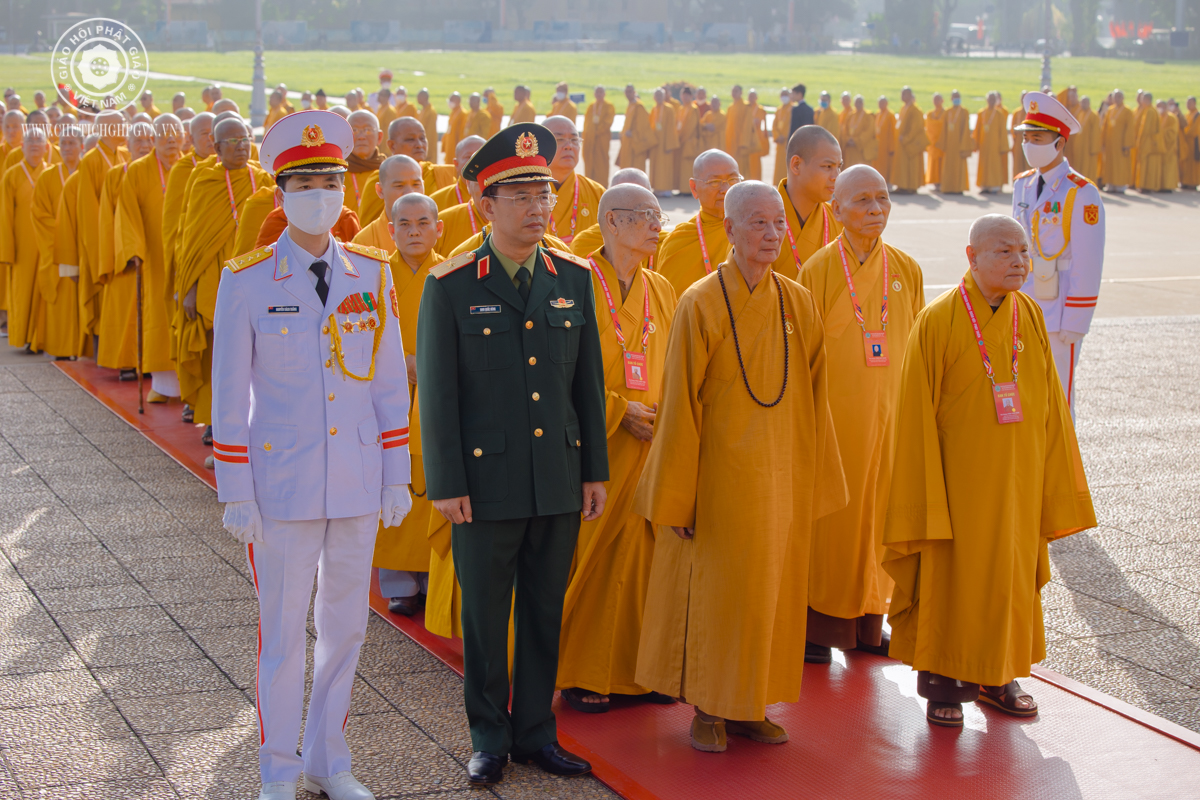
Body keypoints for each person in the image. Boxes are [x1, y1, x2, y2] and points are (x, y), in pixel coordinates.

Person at [212, 109, 410, 800]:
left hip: (356, 479)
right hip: (282, 483)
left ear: (344, 192)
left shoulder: (374, 275)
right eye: (303, 183)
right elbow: (229, 393)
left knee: (346, 629)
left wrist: (397, 474)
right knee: (282, 634)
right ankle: (279, 768)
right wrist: (234, 487)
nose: (319, 194)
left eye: (329, 180)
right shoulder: (247, 279)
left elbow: (388, 385)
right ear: (280, 195)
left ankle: (331, 762)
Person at [416, 122, 608, 786]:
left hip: (556, 476)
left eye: (545, 196)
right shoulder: (451, 284)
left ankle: (535, 732)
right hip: (484, 482)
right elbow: (438, 395)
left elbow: (587, 384)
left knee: (544, 612)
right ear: (484, 205)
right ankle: (489, 737)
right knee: (486, 617)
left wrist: (594, 471)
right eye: (520, 197)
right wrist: (445, 481)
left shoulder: (573, 278)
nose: (537, 209)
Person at [632, 180, 845, 753]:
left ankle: (752, 705)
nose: (772, 234)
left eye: (778, 223)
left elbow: (816, 396)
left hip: (779, 479)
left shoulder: (797, 301)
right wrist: (680, 495)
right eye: (758, 223)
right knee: (721, 597)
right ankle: (708, 708)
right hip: (720, 482)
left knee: (770, 598)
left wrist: (816, 480)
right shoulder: (699, 301)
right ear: (728, 229)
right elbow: (677, 406)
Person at [884, 214, 1095, 728]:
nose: (1019, 261)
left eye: (1023, 251)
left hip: (1018, 482)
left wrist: (1053, 482)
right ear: (971, 256)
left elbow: (1051, 408)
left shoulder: (1029, 314)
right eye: (1004, 252)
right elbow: (912, 417)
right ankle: (944, 686)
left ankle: (1000, 676)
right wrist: (923, 496)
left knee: (1009, 578)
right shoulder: (938, 320)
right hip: (959, 486)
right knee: (955, 580)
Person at [556, 183, 678, 714]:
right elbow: (555, 370)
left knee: (647, 559)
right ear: (610, 222)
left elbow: (673, 364)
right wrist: (617, 411)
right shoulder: (572, 282)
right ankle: (583, 671)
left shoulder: (664, 288)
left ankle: (640, 671)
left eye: (658, 215)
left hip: (651, 447)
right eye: (644, 216)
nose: (656, 225)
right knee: (592, 559)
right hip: (593, 448)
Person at [797, 164, 923, 664]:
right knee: (835, 520)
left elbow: (916, 347)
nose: (875, 210)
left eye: (883, 198)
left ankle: (872, 622)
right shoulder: (820, 269)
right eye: (863, 201)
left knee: (878, 520)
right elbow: (805, 354)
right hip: (835, 421)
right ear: (836, 210)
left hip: (890, 417)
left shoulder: (907, 269)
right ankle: (821, 627)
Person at [175, 117, 273, 456]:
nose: (241, 145)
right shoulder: (204, 180)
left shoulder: (262, 182)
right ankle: (216, 422)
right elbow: (191, 239)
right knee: (220, 356)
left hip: (252, 282)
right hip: (213, 279)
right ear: (216, 148)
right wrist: (188, 289)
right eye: (231, 141)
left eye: (245, 138)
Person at [370, 193, 445, 616]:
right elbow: (358, 331)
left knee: (435, 484)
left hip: (438, 395)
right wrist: (400, 363)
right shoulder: (374, 274)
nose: (414, 232)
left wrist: (429, 364)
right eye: (404, 224)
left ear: (438, 228)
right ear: (391, 229)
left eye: (422, 223)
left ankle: (434, 576)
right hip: (389, 397)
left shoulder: (452, 272)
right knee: (393, 478)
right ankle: (399, 581)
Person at [1012, 91, 1105, 416]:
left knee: (1058, 401)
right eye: (1026, 137)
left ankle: (1062, 466)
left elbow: (1088, 262)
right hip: (1025, 304)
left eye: (1037, 138)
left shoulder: (1081, 192)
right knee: (1026, 395)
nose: (1029, 145)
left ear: (1059, 143)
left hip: (1060, 310)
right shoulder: (1022, 185)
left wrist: (1077, 320)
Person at [110, 115, 184, 401]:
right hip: (154, 256)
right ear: (154, 138)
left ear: (183, 137)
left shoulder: (191, 167)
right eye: (164, 135)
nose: (170, 141)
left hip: (185, 254)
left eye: (175, 134)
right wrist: (134, 250)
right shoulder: (138, 170)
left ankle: (190, 387)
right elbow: (126, 214)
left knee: (184, 317)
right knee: (158, 317)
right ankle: (163, 386)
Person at [76, 110, 130, 341]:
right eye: (121, 124)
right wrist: (101, 245)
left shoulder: (124, 155)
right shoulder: (91, 160)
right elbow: (88, 209)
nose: (126, 127)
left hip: (123, 234)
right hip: (102, 237)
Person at [656, 149, 739, 299]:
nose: (726, 189)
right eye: (714, 182)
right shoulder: (679, 242)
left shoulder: (757, 230)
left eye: (733, 180)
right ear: (694, 188)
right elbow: (670, 305)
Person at [31, 125, 84, 358]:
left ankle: (86, 350)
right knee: (62, 301)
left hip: (86, 247)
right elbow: (40, 216)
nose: (67, 148)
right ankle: (62, 349)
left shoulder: (89, 172)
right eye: (63, 143)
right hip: (59, 248)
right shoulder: (48, 177)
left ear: (82, 146)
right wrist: (65, 235)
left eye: (72, 143)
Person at [0, 127, 50, 349]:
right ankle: (23, 337)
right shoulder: (11, 175)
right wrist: (6, 249)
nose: (35, 145)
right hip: (22, 243)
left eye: (39, 141)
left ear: (46, 147)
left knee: (44, 291)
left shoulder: (51, 173)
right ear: (23, 146)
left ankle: (41, 338)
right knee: (22, 291)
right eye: (30, 141)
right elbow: (4, 215)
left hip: (46, 243)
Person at [772, 126, 844, 278]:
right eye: (827, 167)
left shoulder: (841, 221)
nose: (836, 176)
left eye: (839, 167)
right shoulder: (759, 220)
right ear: (796, 165)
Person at [358, 118, 457, 223]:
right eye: (410, 139)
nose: (419, 144)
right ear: (392, 145)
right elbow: (368, 226)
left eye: (422, 138)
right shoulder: (380, 178)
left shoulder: (441, 174)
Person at [541, 116, 605, 245]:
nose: (569, 146)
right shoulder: (525, 194)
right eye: (559, 139)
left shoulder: (598, 193)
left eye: (574, 140)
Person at [568, 168, 656, 260]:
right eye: (626, 199)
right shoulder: (585, 243)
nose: (634, 208)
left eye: (642, 204)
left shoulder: (659, 242)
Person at [351, 155, 425, 253]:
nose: (410, 192)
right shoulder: (364, 242)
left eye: (416, 185)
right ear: (380, 190)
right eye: (399, 186)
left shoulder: (437, 233)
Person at [343, 110, 385, 213]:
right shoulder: (337, 171)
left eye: (368, 130)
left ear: (379, 137)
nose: (361, 136)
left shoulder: (389, 170)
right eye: (355, 130)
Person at [429, 135, 484, 212]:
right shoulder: (436, 201)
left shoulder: (501, 196)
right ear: (456, 164)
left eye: (480, 156)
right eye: (468, 157)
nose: (475, 161)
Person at [974, 91, 1009, 193]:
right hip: (983, 145)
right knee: (984, 164)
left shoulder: (999, 114)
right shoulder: (981, 113)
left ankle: (994, 185)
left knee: (994, 165)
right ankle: (984, 185)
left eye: (994, 99)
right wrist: (975, 144)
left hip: (995, 146)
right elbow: (977, 130)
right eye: (990, 99)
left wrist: (1003, 146)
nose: (991, 101)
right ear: (986, 100)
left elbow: (1003, 132)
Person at [1100, 90, 1135, 192]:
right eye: (1115, 97)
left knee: (1120, 165)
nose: (1117, 99)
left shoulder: (1127, 111)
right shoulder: (1110, 110)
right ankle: (1110, 184)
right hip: (1110, 144)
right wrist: (1103, 142)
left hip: (1121, 144)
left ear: (1123, 98)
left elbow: (1130, 128)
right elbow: (1105, 127)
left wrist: (1127, 144)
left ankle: (1120, 186)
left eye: (1119, 97)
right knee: (1109, 164)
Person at [939, 91, 972, 193]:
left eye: (958, 97)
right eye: (954, 97)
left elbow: (966, 130)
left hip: (959, 146)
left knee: (959, 168)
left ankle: (958, 188)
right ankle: (948, 188)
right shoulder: (947, 112)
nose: (956, 99)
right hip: (949, 146)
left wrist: (964, 146)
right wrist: (942, 144)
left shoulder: (964, 112)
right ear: (951, 99)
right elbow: (943, 129)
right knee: (948, 167)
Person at [583, 86, 616, 186]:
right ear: (594, 94)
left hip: (601, 139)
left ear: (604, 94)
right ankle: (589, 185)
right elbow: (586, 123)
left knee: (601, 161)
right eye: (597, 92)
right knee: (590, 161)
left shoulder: (608, 106)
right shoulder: (591, 106)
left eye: (601, 92)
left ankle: (602, 185)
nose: (599, 94)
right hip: (590, 139)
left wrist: (598, 131)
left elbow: (608, 121)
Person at [617, 85, 655, 174]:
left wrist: (633, 134)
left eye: (630, 91)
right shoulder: (630, 105)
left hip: (636, 144)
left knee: (636, 172)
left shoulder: (639, 106)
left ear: (634, 92)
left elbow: (644, 128)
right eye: (626, 92)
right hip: (628, 144)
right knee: (626, 171)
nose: (628, 94)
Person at [647, 89, 679, 194]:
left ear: (664, 96)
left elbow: (671, 127)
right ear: (654, 97)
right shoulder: (654, 109)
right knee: (656, 167)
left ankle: (666, 190)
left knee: (665, 167)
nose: (658, 97)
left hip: (665, 144)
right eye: (657, 95)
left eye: (661, 95)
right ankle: (657, 188)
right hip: (656, 144)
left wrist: (670, 144)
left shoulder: (669, 109)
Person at [1132, 91, 1163, 192]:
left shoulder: (1150, 111)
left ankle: (1146, 186)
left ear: (1146, 100)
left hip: (1148, 143)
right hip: (1148, 142)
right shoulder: (1148, 110)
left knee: (1146, 165)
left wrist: (1140, 141)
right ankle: (1143, 185)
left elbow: (1146, 130)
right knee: (1146, 165)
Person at [724, 86, 754, 176]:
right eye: (733, 91)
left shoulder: (746, 107)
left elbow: (747, 126)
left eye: (736, 91)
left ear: (741, 93)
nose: (734, 93)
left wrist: (743, 143)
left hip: (740, 144)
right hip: (730, 144)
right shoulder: (730, 107)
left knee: (742, 168)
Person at [842, 95, 877, 169]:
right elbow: (844, 130)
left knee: (862, 171)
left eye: (860, 102)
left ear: (863, 103)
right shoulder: (850, 115)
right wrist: (847, 139)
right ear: (854, 103)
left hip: (861, 150)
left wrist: (856, 141)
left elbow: (869, 132)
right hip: (850, 150)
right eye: (856, 102)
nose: (858, 104)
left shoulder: (868, 116)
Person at [1074, 96, 1103, 182]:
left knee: (1088, 167)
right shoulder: (1079, 113)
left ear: (1089, 103)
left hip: (1088, 147)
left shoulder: (1093, 115)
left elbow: (1096, 133)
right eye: (1082, 102)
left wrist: (1094, 149)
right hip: (1080, 146)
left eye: (1085, 102)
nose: (1083, 104)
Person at [771, 88, 793, 183]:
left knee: (787, 165)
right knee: (779, 165)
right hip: (780, 143)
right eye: (782, 95)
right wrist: (777, 135)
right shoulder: (779, 110)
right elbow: (774, 125)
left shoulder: (793, 109)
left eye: (786, 94)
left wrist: (784, 136)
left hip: (787, 142)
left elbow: (791, 125)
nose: (784, 97)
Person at [872, 96, 896, 184]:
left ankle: (887, 182)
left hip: (886, 146)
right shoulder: (878, 114)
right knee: (877, 165)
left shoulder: (890, 115)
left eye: (883, 103)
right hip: (878, 146)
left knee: (886, 166)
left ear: (886, 104)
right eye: (879, 103)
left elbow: (894, 132)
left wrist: (892, 147)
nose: (881, 105)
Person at [1158, 100, 1180, 191]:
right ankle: (1159, 185)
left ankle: (1168, 186)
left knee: (1168, 168)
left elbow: (1173, 132)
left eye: (1162, 106)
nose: (1160, 108)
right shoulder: (1158, 117)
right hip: (1159, 146)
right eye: (1158, 106)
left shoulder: (1172, 117)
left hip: (1169, 147)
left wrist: (1161, 133)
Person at [442, 92, 465, 165]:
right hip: (450, 145)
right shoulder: (453, 112)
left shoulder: (463, 114)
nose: (450, 102)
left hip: (455, 146)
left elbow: (462, 133)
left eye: (452, 100)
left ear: (458, 101)